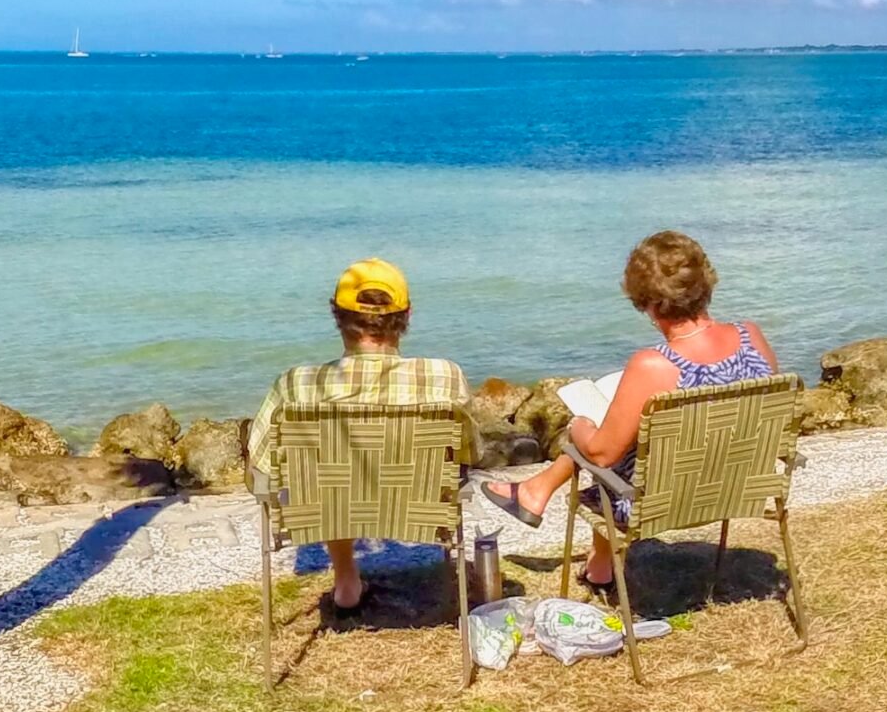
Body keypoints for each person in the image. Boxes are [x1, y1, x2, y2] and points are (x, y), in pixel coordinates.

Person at [484, 230, 779, 591]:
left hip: (663, 500)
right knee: (635, 437)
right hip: (741, 483)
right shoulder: (752, 335)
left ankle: (552, 510)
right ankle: (546, 504)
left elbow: (601, 453)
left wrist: (579, 427)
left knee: (599, 441)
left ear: (647, 301)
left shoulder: (654, 365)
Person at [246, 257, 474, 613]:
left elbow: (259, 469)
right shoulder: (444, 378)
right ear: (407, 316)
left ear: (337, 315)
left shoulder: (294, 386)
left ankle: (346, 580)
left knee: (330, 475)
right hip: (415, 503)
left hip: (331, 503)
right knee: (339, 472)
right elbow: (467, 455)